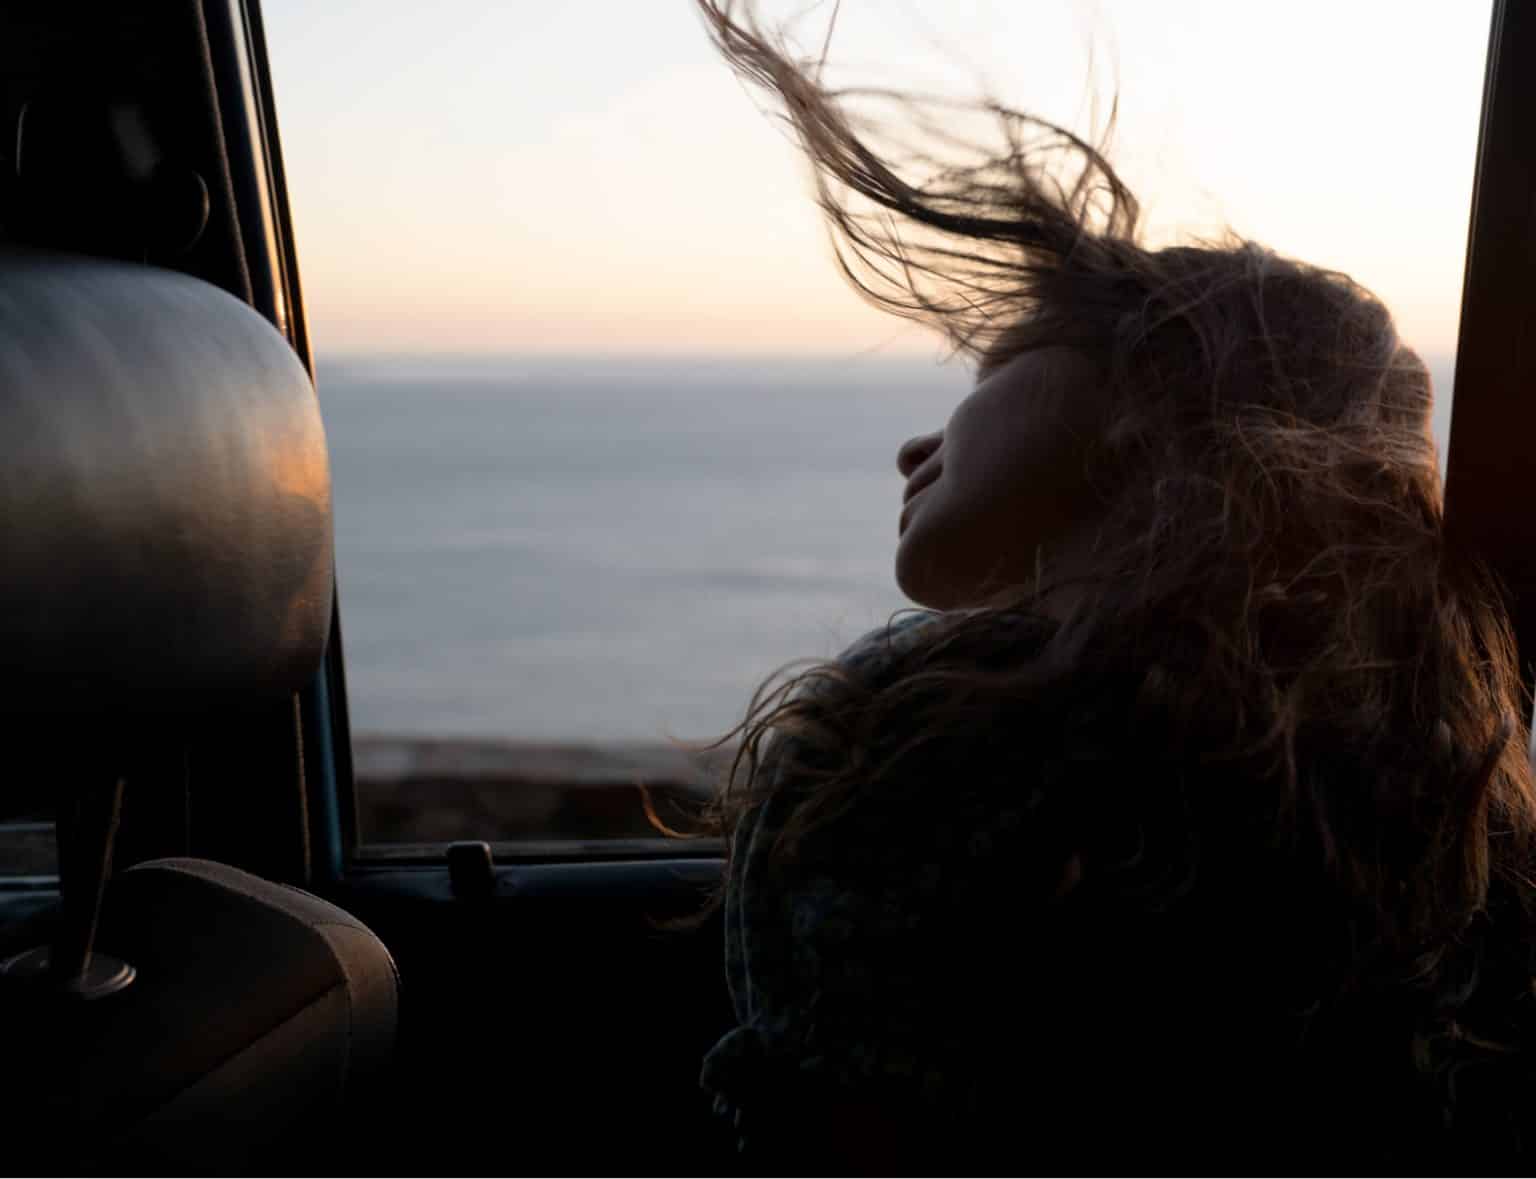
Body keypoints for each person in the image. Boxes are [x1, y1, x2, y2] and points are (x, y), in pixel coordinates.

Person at [689, 1, 1536, 1169]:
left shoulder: (927, 759)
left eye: (992, 372)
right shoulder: (1446, 799)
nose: (915, 448)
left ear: (1149, 400)